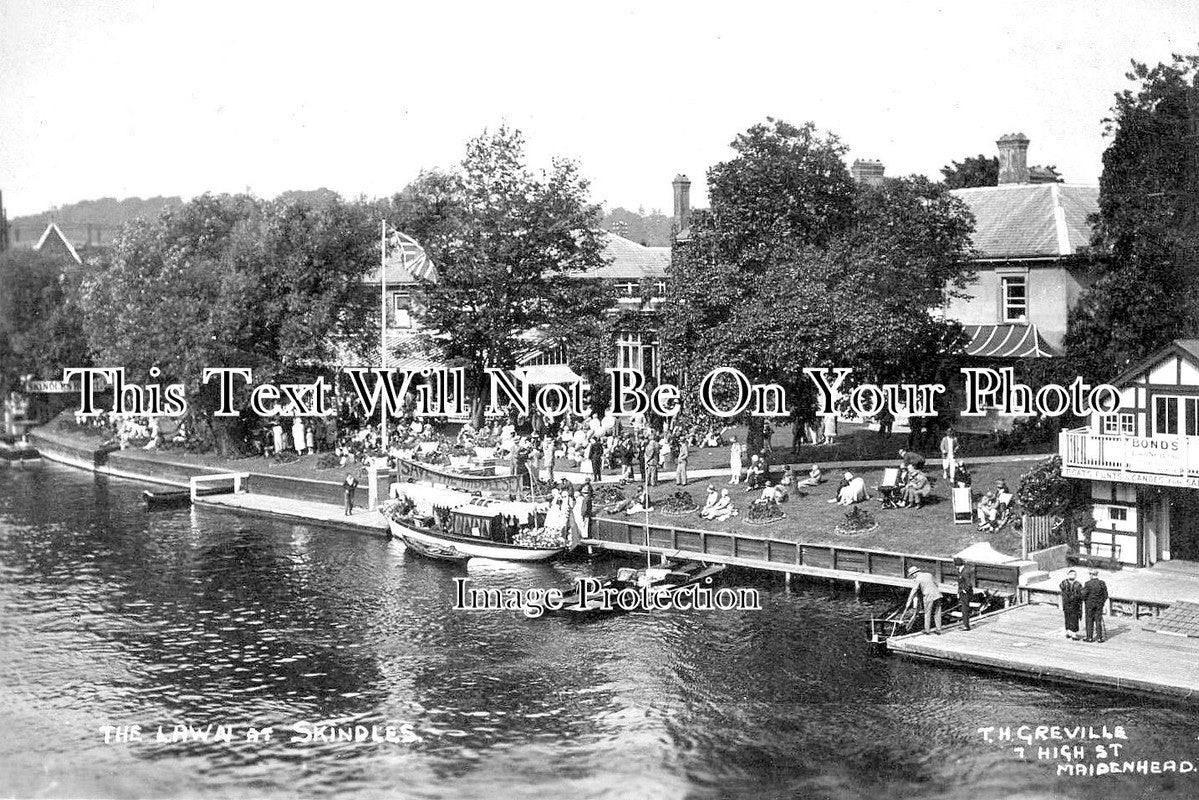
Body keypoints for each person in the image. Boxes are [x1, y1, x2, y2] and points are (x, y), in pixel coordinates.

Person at [904, 565, 943, 634]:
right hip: (937, 594)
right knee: (937, 612)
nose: (912, 576)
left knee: (927, 613)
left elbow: (914, 591)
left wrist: (908, 602)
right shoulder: (928, 574)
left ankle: (927, 630)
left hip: (928, 596)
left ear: (914, 573)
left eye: (912, 575)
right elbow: (936, 584)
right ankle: (938, 629)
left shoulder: (917, 579)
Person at [1082, 568, 1109, 643]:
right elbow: (1106, 595)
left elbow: (1084, 595)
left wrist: (1085, 601)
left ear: (1091, 575)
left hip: (1089, 605)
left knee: (1089, 620)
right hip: (1099, 605)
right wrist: (1101, 603)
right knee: (1098, 621)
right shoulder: (1102, 583)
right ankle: (1100, 637)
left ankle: (1089, 637)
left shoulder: (1087, 583)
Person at [1059, 569, 1085, 640]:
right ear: (1068, 575)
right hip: (1068, 604)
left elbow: (1081, 594)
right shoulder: (1064, 583)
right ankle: (1069, 632)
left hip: (1074, 605)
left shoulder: (1077, 584)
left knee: (1074, 619)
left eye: (1074, 574)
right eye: (1071, 574)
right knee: (1068, 618)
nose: (1072, 576)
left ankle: (1073, 633)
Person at [954, 557, 976, 631]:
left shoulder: (965, 571)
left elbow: (968, 583)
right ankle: (965, 624)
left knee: (965, 609)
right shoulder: (961, 570)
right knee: (964, 609)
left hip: (965, 593)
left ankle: (966, 626)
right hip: (962, 592)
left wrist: (964, 590)